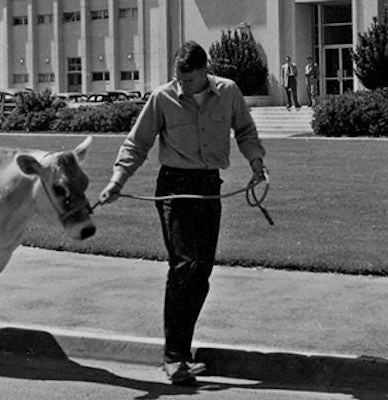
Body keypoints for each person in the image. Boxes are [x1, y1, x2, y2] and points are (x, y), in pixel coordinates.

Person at [98, 41, 267, 386]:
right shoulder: (162, 98)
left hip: (209, 186)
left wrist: (256, 162)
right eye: (179, 79)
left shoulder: (229, 93)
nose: (183, 86)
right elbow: (137, 143)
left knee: (201, 272)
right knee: (184, 265)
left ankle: (182, 352)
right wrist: (117, 180)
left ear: (206, 70)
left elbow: (246, 131)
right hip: (173, 187)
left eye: (189, 80)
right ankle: (173, 358)